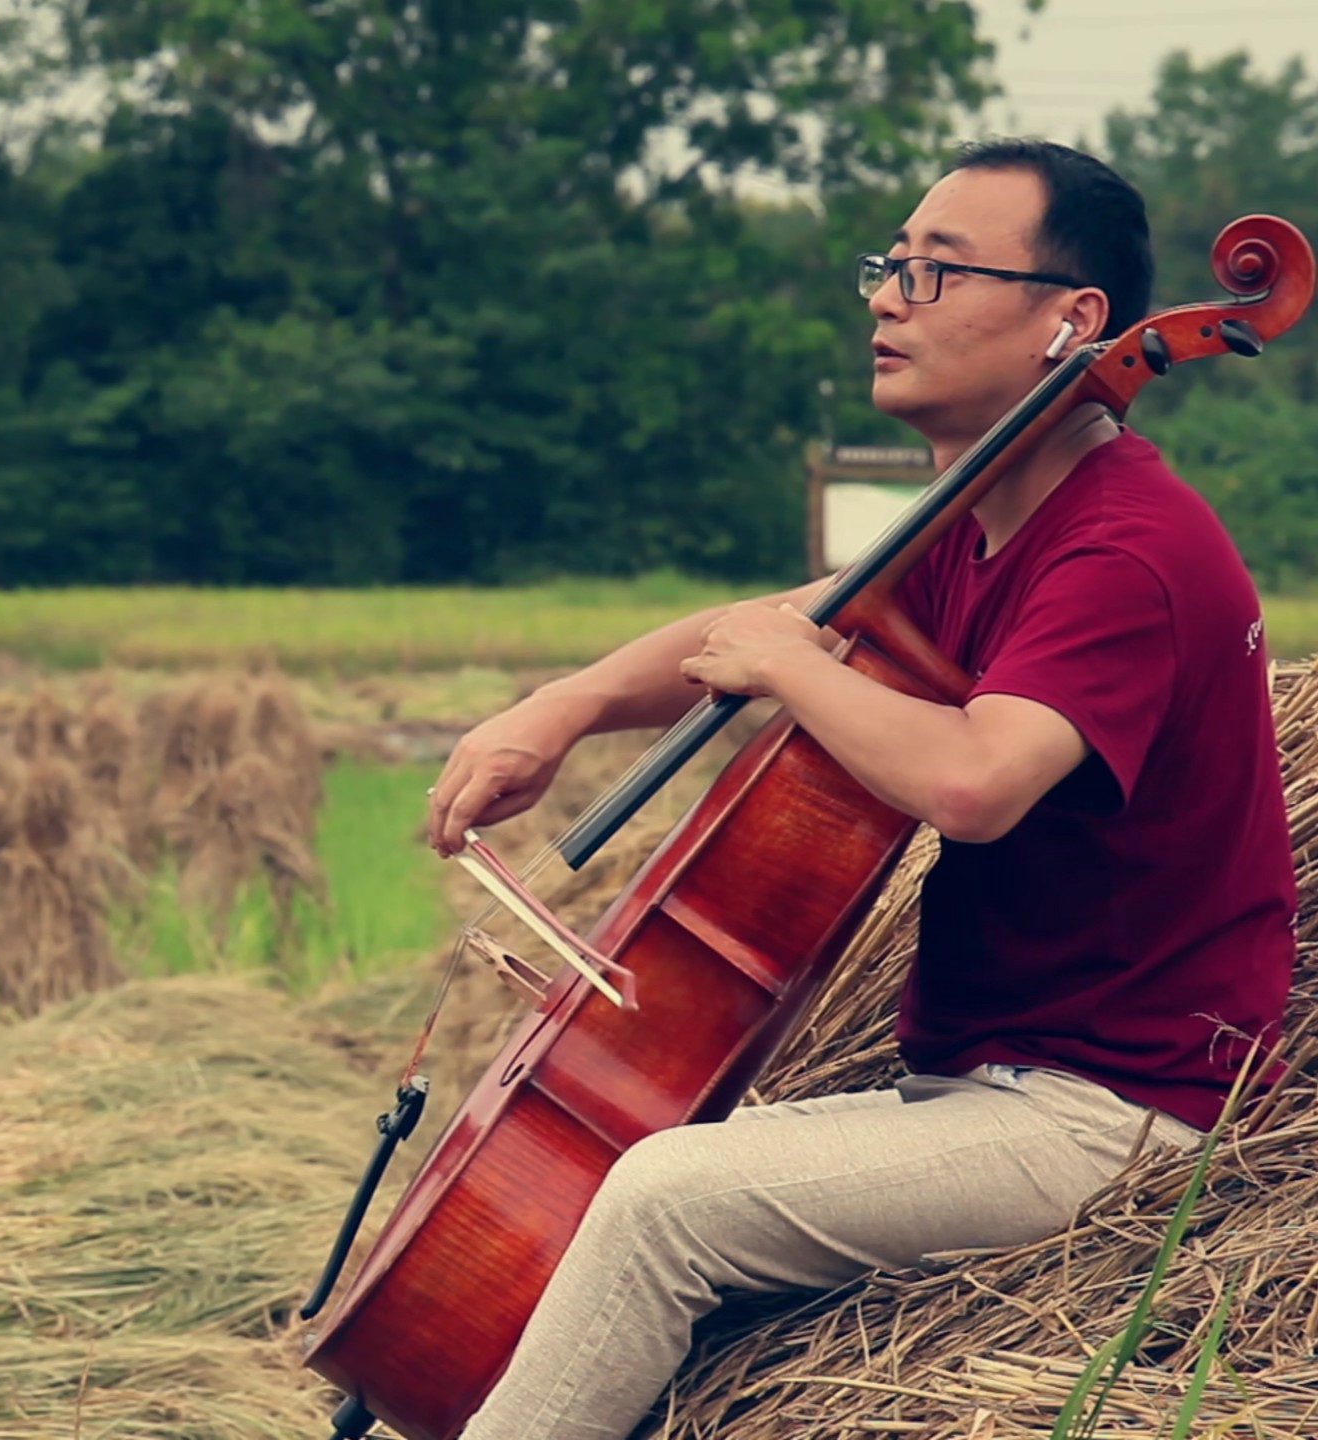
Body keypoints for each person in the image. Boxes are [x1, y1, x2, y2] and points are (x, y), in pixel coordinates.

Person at [423, 138, 1296, 1440]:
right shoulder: (977, 519)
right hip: (980, 1082)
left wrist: (791, 665)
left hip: (1109, 1113)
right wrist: (569, 706)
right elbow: (777, 621)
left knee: (668, 1200)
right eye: (890, 265)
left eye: (938, 272)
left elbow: (980, 779)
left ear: (1076, 322)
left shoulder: (1128, 546)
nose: (889, 297)